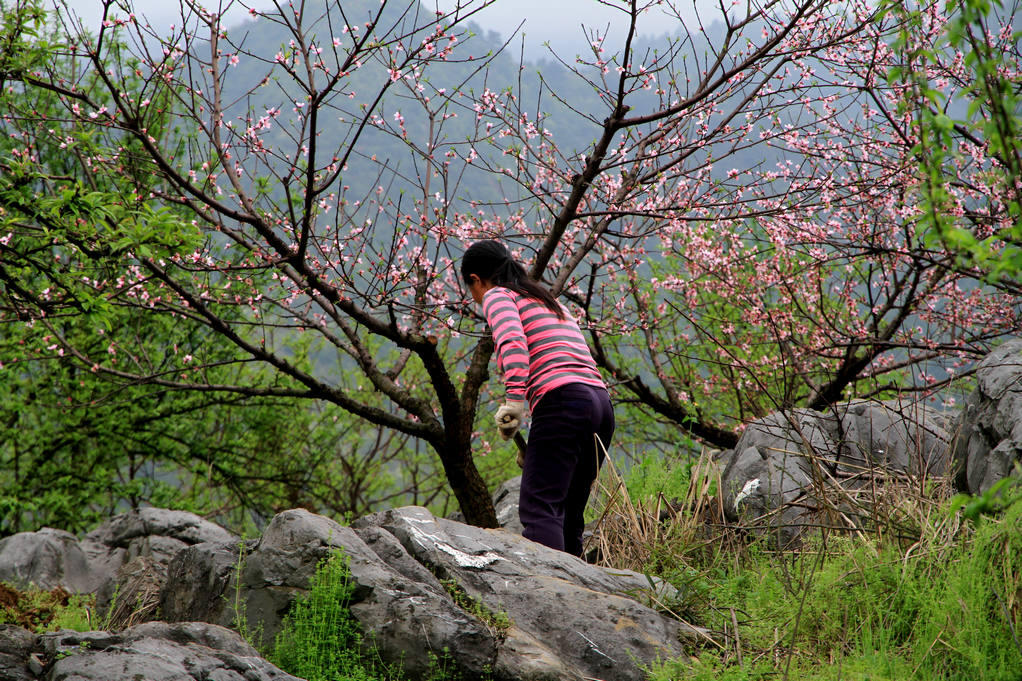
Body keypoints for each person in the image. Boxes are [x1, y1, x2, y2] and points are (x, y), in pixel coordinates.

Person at [461, 240, 614, 556]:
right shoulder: (549, 300)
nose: (475, 299)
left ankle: (555, 594)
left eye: (470, 289)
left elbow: (514, 344)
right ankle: (580, 592)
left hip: (565, 403)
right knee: (570, 512)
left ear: (475, 279)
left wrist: (515, 403)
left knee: (540, 507)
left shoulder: (497, 295)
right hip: (600, 404)